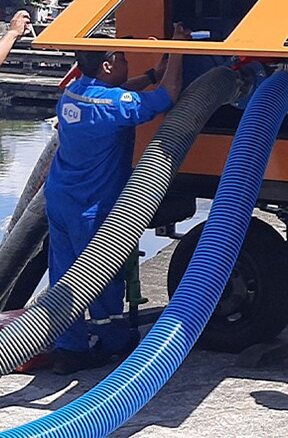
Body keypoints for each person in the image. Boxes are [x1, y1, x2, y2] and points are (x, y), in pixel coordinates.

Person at [46, 27, 187, 375]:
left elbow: (121, 94)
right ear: (107, 66)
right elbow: (168, 96)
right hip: (91, 209)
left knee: (64, 275)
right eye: (122, 58)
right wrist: (179, 51)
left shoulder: (74, 95)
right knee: (101, 276)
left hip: (60, 199)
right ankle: (114, 342)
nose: (126, 62)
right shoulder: (111, 107)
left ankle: (70, 349)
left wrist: (154, 71)